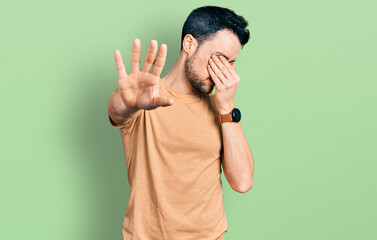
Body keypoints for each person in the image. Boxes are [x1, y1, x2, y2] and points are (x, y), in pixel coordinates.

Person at [108, 5, 254, 240]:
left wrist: (227, 108)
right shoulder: (146, 97)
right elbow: (117, 111)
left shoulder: (222, 108)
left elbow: (243, 182)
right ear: (189, 44)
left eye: (231, 62)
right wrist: (128, 101)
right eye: (219, 59)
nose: (224, 71)